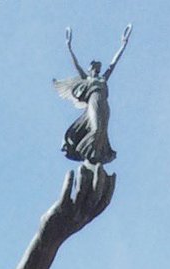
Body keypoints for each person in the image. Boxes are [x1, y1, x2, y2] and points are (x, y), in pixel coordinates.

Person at [55, 24, 132, 165]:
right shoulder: (87, 79)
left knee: (102, 130)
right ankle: (83, 152)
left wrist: (123, 45)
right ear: (91, 69)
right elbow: (76, 65)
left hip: (104, 104)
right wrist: (69, 47)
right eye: (94, 67)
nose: (97, 68)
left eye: (98, 67)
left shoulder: (103, 78)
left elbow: (114, 63)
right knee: (95, 128)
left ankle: (97, 155)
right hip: (93, 102)